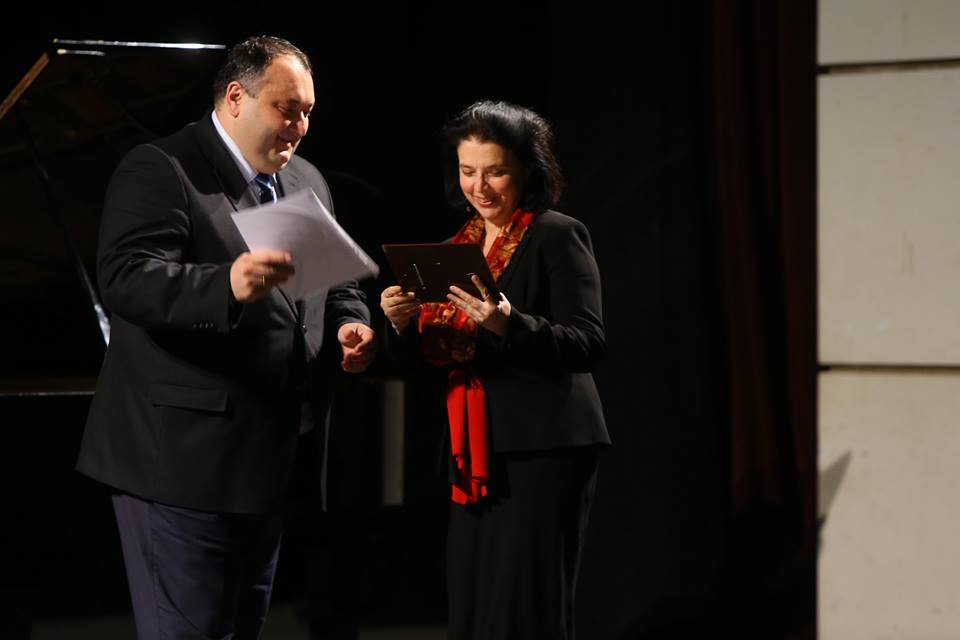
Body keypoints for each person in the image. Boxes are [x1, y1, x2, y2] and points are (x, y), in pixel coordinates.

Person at [76, 36, 376, 639]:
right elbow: (126, 279)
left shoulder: (305, 179)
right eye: (286, 109)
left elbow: (332, 283)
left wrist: (352, 323)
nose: (299, 127)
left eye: (308, 112)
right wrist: (225, 285)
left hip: (268, 461)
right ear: (236, 97)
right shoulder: (163, 167)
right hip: (182, 464)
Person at [380, 100, 610, 639]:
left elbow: (588, 343)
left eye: (495, 172)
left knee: (526, 603)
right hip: (473, 444)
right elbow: (433, 358)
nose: (479, 187)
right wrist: (400, 324)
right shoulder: (451, 250)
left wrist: (510, 323)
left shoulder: (556, 234)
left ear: (526, 171)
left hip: (543, 444)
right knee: (475, 599)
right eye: (468, 171)